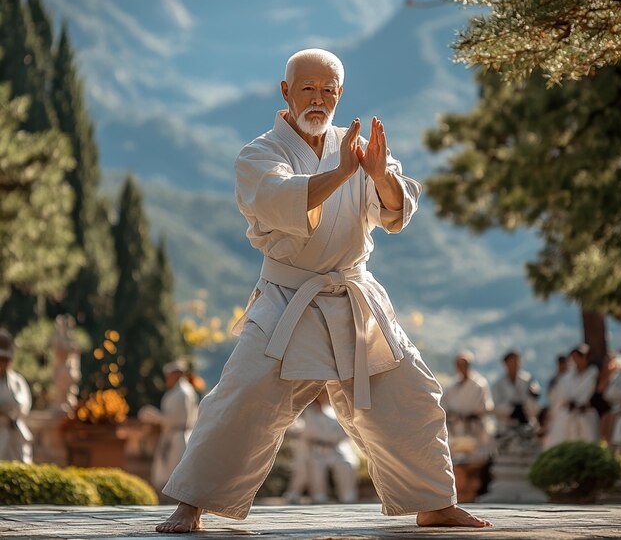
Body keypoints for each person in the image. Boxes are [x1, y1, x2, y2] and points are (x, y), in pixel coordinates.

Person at [156, 48, 491, 533]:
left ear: (340, 94)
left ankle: (432, 501)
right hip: (288, 298)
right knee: (242, 395)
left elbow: (397, 212)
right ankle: (192, 505)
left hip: (355, 296)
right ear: (286, 92)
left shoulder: (357, 147)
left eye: (329, 90)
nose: (319, 99)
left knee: (412, 393)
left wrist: (378, 175)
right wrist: (340, 174)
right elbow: (277, 202)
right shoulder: (259, 153)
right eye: (308, 88)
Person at [283, 388, 358, 504]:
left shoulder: (335, 409)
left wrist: (334, 438)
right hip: (314, 448)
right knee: (313, 471)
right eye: (321, 394)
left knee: (346, 465)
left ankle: (348, 497)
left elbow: (347, 430)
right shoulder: (306, 410)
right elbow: (295, 428)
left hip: (336, 447)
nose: (323, 396)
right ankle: (317, 497)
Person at [138, 360, 199, 495]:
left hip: (179, 437)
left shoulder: (183, 392)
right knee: (164, 472)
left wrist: (155, 416)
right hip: (170, 435)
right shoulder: (175, 391)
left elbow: (177, 419)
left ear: (176, 374)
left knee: (175, 472)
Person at [441, 351, 494, 464]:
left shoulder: (479, 384)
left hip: (476, 431)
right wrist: (454, 415)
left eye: (463, 364)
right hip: (457, 430)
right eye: (458, 364)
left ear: (469, 365)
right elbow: (444, 406)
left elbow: (486, 407)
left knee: (477, 462)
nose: (461, 367)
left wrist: (470, 415)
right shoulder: (452, 386)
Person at [544, 344, 599, 449]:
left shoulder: (593, 373)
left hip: (586, 415)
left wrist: (581, 403)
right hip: (567, 416)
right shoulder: (566, 377)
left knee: (588, 446)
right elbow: (559, 397)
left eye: (578, 358)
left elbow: (590, 394)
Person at [0, 328, 33, 463]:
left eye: (5, 360)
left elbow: (22, 405)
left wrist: (7, 408)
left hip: (14, 432)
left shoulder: (17, 381)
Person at [491, 350, 541, 434]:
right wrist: (512, 409)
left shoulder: (528, 380)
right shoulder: (498, 385)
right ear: (506, 364)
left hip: (527, 425)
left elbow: (534, 400)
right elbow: (496, 407)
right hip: (506, 427)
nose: (515, 364)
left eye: (517, 361)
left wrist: (525, 409)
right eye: (512, 362)